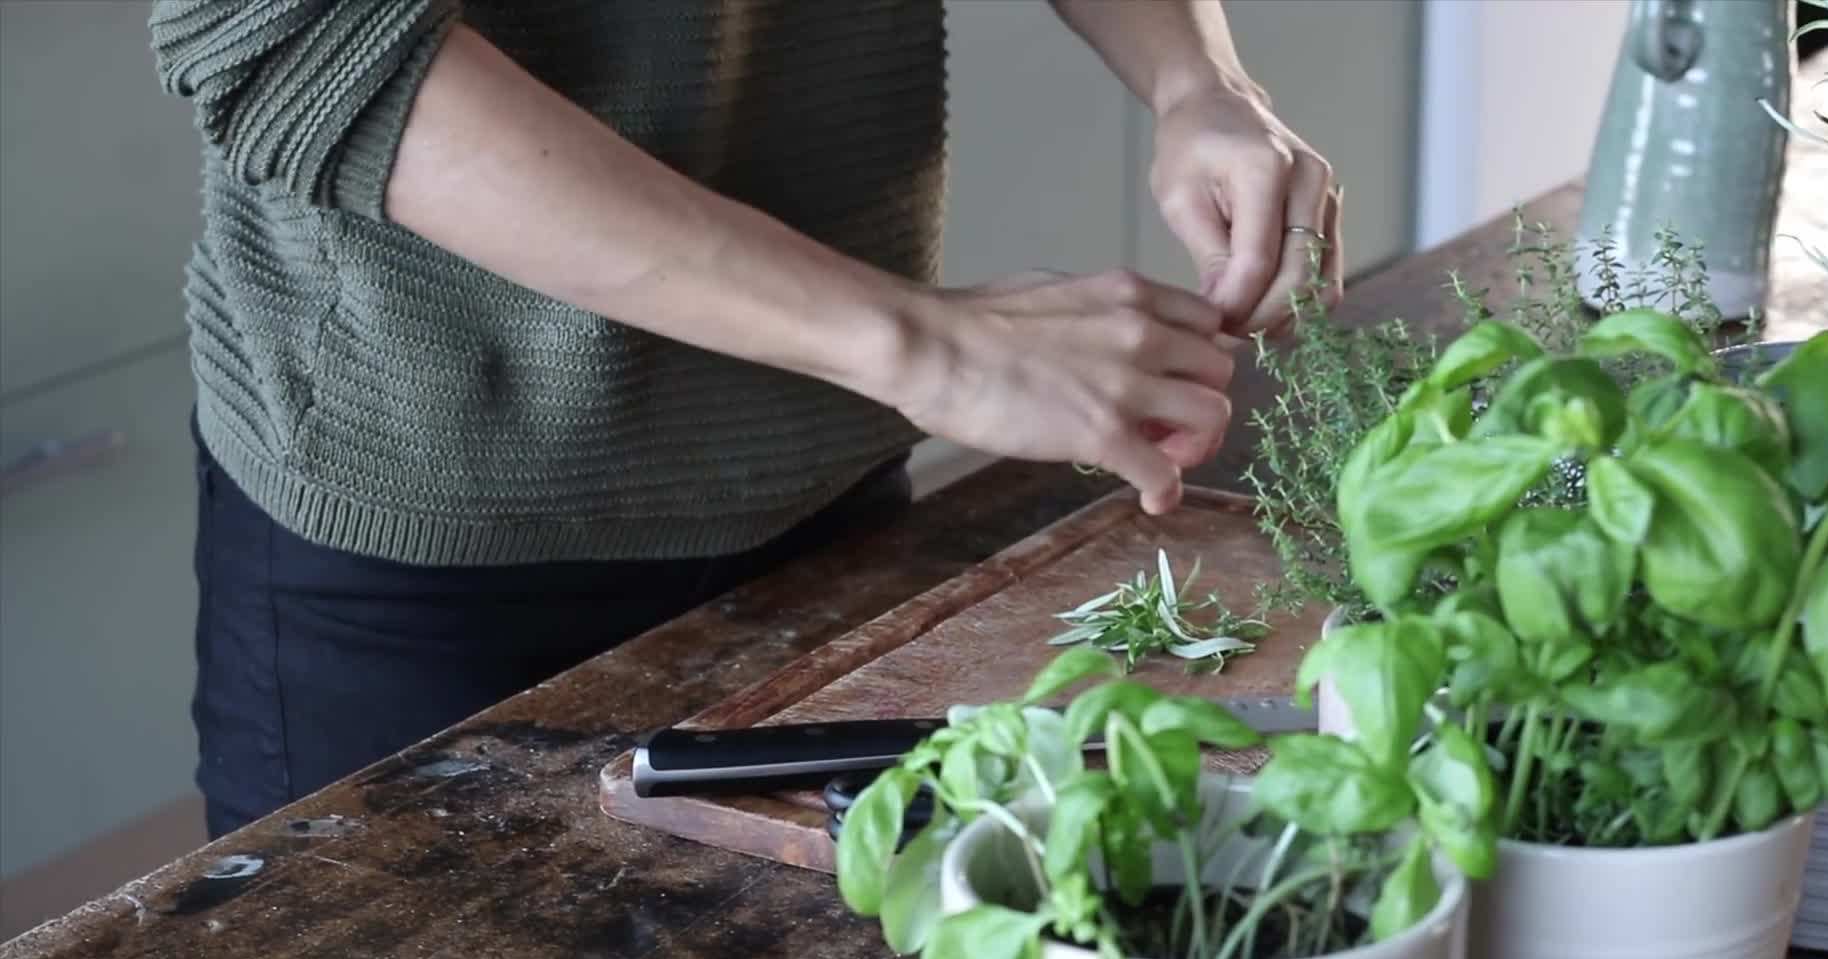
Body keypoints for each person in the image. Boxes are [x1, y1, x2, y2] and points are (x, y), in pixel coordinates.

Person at [150, 0, 1344, 839]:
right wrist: (913, 340)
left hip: (820, 471)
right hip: (432, 526)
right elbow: (291, 38)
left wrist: (1201, 78)